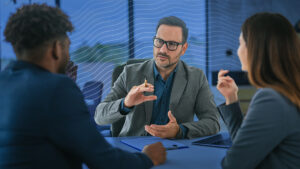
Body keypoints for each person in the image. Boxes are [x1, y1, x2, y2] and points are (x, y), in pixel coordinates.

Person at [0, 4, 166, 169]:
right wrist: (147, 158)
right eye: (67, 46)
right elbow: (104, 161)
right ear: (56, 48)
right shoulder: (57, 88)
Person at [95, 16, 220, 139]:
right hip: (133, 150)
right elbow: (99, 116)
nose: (162, 50)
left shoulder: (196, 77)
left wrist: (179, 130)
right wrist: (125, 103)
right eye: (159, 41)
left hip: (176, 149)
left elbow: (213, 123)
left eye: (171, 44)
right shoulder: (130, 73)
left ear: (183, 48)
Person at [217, 13, 300, 169]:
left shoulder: (271, 99)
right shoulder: (287, 92)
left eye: (240, 43)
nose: (238, 51)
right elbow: (246, 148)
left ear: (255, 49)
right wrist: (231, 98)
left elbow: (233, 164)